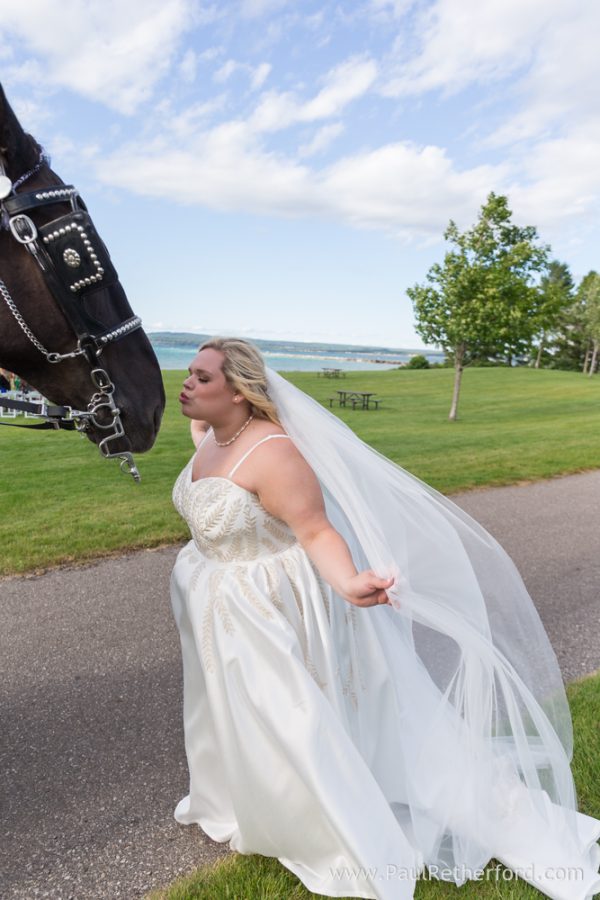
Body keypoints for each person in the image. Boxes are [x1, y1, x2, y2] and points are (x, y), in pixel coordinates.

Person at [170, 337, 600, 900]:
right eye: (190, 372)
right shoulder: (209, 435)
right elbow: (206, 456)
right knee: (232, 709)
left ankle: (324, 819)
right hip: (217, 610)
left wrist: (350, 581)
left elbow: (317, 531)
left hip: (270, 611)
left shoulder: (274, 455)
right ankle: (249, 796)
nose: (186, 383)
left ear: (242, 391)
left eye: (202, 378)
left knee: (289, 716)